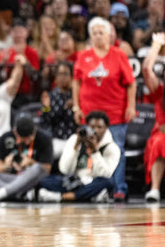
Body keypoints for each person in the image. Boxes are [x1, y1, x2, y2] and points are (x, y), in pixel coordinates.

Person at [72, 16, 136, 202]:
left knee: (116, 152)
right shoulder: (83, 56)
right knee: (89, 151)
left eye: (102, 32)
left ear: (109, 35)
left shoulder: (119, 54)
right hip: (89, 114)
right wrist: (76, 107)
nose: (98, 36)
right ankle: (94, 190)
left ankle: (118, 189)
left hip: (115, 114)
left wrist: (131, 106)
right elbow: (76, 82)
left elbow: (131, 84)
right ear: (90, 36)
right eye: (94, 33)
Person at [38, 110, 119, 203]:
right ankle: (87, 196)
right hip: (75, 182)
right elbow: (64, 169)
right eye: (92, 127)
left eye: (100, 127)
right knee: (44, 180)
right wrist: (76, 146)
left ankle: (62, 197)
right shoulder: (74, 139)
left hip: (94, 182)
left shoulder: (112, 148)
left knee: (108, 182)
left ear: (106, 128)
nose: (96, 131)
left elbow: (105, 174)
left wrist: (95, 152)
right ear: (87, 126)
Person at [0, 113, 53, 202]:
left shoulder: (44, 138)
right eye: (25, 138)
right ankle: (19, 194)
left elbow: (46, 170)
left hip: (29, 179)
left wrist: (31, 163)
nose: (28, 141)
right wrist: (6, 166)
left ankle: (0, 193)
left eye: (31, 136)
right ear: (16, 133)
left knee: (37, 168)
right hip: (10, 178)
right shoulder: (6, 137)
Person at [141, 32, 165, 202]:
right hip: (161, 134)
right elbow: (146, 69)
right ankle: (154, 189)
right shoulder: (159, 92)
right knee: (159, 142)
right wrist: (156, 45)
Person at [40, 62, 77, 159]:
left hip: (75, 139)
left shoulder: (77, 95)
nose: (62, 77)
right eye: (60, 74)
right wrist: (46, 108)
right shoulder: (51, 96)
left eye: (65, 74)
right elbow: (44, 122)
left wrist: (75, 106)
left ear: (72, 76)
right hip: (57, 139)